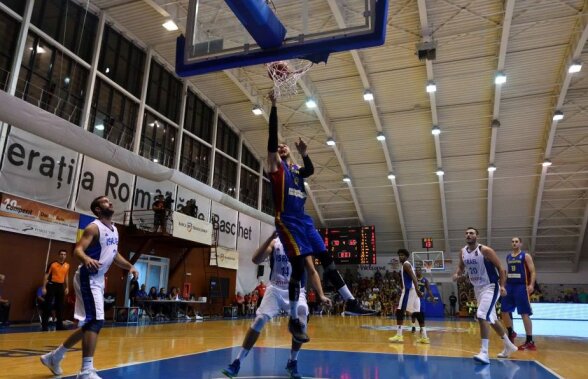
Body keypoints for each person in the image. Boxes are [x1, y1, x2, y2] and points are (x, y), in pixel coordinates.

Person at [266, 94, 374, 343]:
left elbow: (311, 170)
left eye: (285, 147)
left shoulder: (296, 171)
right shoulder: (275, 167)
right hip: (287, 221)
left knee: (326, 258)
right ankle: (294, 319)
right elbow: (272, 140)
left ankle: (350, 301)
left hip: (304, 220)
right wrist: (273, 106)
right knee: (298, 266)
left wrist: (303, 153)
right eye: (280, 147)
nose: (282, 147)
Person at [40, 196, 138, 379]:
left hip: (98, 279)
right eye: (106, 202)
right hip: (88, 277)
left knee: (90, 323)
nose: (110, 203)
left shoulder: (114, 229)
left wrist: (129, 266)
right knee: (96, 321)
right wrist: (86, 258)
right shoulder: (93, 227)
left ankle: (55, 356)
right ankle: (86, 371)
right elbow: (77, 250)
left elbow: (114, 254)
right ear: (98, 210)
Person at [222, 233, 332, 379]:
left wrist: (321, 294)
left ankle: (292, 362)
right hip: (275, 289)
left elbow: (312, 271)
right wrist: (268, 238)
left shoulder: (303, 246)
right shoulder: (275, 243)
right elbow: (256, 259)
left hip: (296, 289)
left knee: (302, 318)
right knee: (259, 320)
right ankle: (237, 362)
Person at [453, 227, 518, 364]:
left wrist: (502, 286)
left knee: (482, 315)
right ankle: (509, 345)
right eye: (466, 233)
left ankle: (484, 352)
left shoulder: (485, 250)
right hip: (477, 289)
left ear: (477, 236)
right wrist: (457, 274)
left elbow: (501, 268)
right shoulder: (463, 252)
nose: (468, 235)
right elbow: (461, 266)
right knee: (492, 320)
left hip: (491, 286)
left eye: (471, 233)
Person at [500, 237, 537, 350]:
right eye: (513, 241)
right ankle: (511, 332)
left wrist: (531, 285)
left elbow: (532, 271)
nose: (514, 243)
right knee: (504, 310)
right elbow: (507, 273)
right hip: (509, 286)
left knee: (524, 313)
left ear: (520, 244)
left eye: (516, 241)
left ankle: (530, 340)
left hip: (521, 286)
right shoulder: (508, 257)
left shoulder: (525, 256)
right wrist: (503, 285)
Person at [389, 249, 424, 344]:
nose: (400, 257)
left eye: (402, 255)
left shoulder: (406, 264)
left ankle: (399, 335)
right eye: (399, 255)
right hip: (413, 290)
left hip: (409, 290)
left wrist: (417, 290)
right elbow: (413, 277)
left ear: (406, 256)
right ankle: (424, 336)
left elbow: (414, 277)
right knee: (417, 312)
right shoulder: (408, 265)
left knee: (399, 311)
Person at [42, 249, 70, 331]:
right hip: (52, 285)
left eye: (64, 254)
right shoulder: (53, 264)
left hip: (61, 286)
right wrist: (44, 287)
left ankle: (59, 325)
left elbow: (66, 276)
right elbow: (46, 275)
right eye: (61, 254)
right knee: (48, 305)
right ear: (58, 255)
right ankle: (44, 325)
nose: (63, 256)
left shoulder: (67, 265)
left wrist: (67, 287)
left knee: (60, 306)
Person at [410, 267, 433, 343]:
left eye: (419, 270)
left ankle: (421, 328)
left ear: (421, 271)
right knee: (413, 313)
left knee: (422, 314)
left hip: (421, 299)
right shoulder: (413, 279)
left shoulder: (425, 280)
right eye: (416, 270)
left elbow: (429, 289)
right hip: (414, 298)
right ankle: (413, 326)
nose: (417, 271)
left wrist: (432, 297)